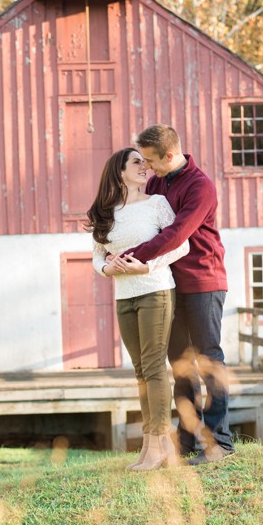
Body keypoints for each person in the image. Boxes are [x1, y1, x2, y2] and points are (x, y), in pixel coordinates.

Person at [120, 124, 234, 465]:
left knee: (207, 360)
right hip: (168, 283)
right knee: (180, 364)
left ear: (170, 155)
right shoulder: (157, 182)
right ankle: (186, 443)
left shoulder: (201, 187)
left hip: (203, 282)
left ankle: (220, 444)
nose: (147, 168)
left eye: (151, 161)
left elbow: (175, 234)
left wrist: (134, 256)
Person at [86, 147, 188, 471]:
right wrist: (106, 270)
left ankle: (160, 444)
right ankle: (149, 445)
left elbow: (181, 244)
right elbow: (97, 256)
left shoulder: (156, 204)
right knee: (141, 370)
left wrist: (148, 267)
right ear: (120, 172)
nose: (144, 166)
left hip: (155, 290)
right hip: (124, 296)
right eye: (136, 162)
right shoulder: (106, 212)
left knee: (155, 366)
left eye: (145, 162)